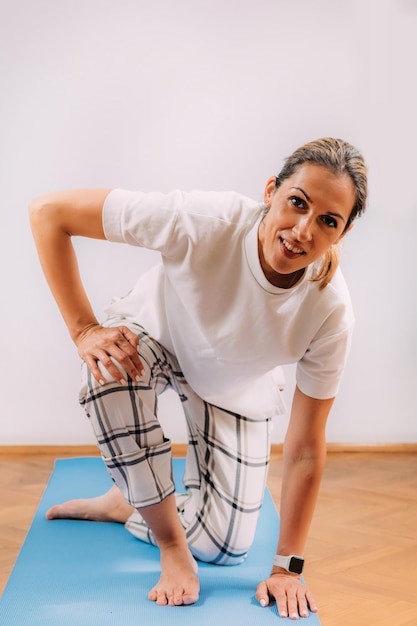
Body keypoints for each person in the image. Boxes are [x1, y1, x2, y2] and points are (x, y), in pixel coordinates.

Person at [29, 137, 367, 620]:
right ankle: (169, 540)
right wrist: (84, 329)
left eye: (328, 221)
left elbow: (307, 446)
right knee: (107, 375)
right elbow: (48, 213)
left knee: (224, 547)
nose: (302, 231)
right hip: (158, 341)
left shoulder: (331, 312)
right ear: (271, 191)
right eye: (297, 202)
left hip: (233, 383)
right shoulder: (205, 220)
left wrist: (288, 569)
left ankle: (129, 501)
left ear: (342, 232)